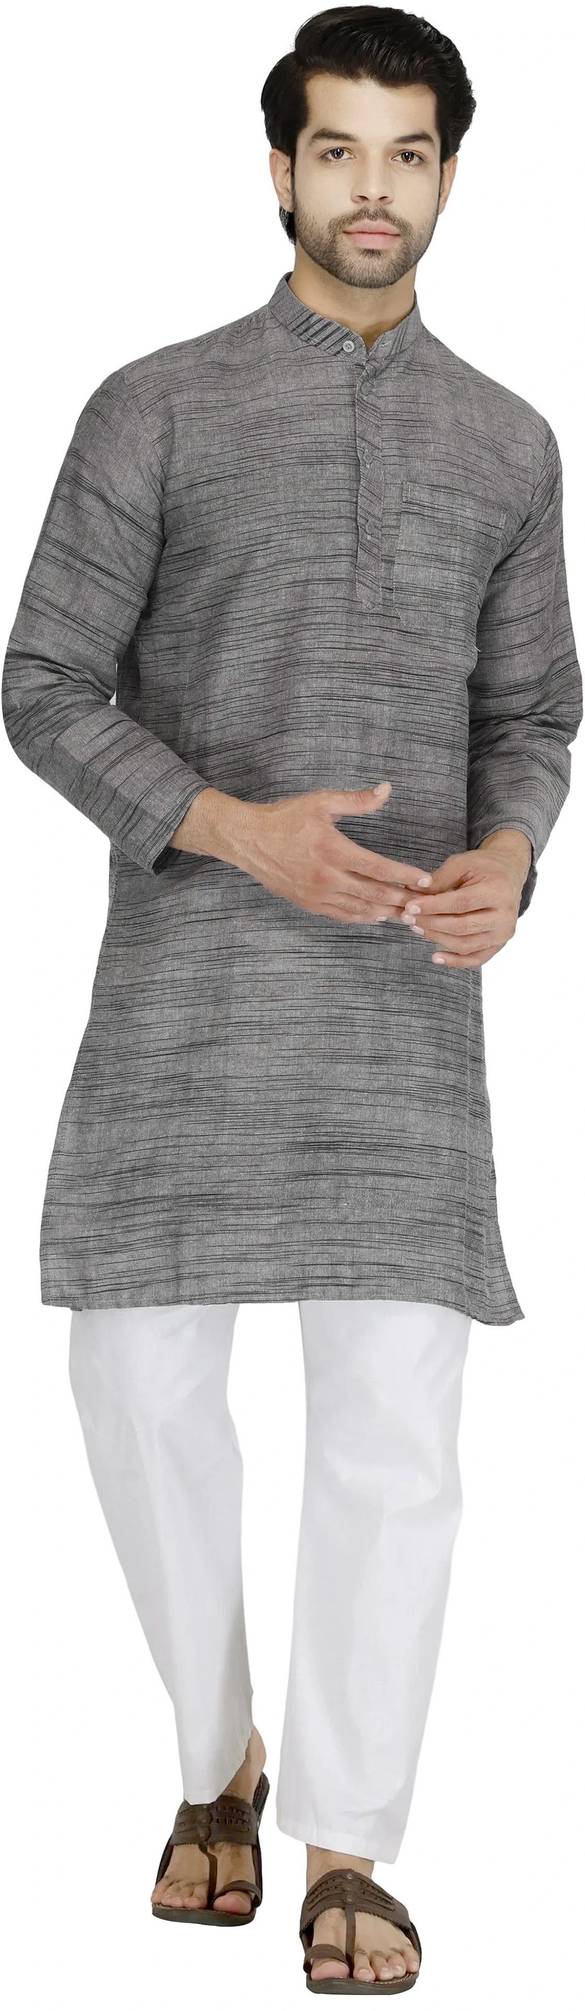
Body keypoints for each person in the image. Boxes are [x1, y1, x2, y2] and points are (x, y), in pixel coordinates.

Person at [2, 6, 582, 1990]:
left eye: (407, 152)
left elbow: (533, 711)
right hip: (189, 976)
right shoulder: (155, 405)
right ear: (278, 169)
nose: (370, 188)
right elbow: (42, 680)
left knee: (391, 1427)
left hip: (400, 999)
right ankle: (212, 1760)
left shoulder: (506, 440)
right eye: (335, 149)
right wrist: (227, 829)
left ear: (448, 173)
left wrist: (510, 849)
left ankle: (348, 1842)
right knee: (138, 1383)